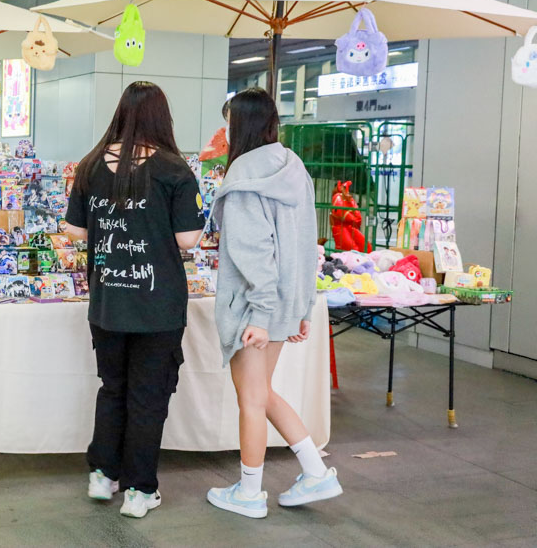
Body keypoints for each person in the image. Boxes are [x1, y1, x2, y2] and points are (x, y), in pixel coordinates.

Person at [62, 81, 205, 519]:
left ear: (120, 113)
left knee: (113, 388)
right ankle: (141, 491)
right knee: (148, 396)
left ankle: (103, 475)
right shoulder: (174, 170)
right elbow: (189, 238)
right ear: (162, 118)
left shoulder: (90, 165)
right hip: (157, 305)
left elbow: (76, 231)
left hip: (107, 300)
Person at [206, 88, 342, 519]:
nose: (225, 130)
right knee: (261, 393)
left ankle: (249, 493)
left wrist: (262, 316)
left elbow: (255, 252)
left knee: (251, 397)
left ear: (240, 123)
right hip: (283, 302)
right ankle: (316, 472)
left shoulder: (243, 175)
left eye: (228, 121)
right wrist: (301, 307)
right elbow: (305, 242)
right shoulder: (292, 166)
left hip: (254, 308)